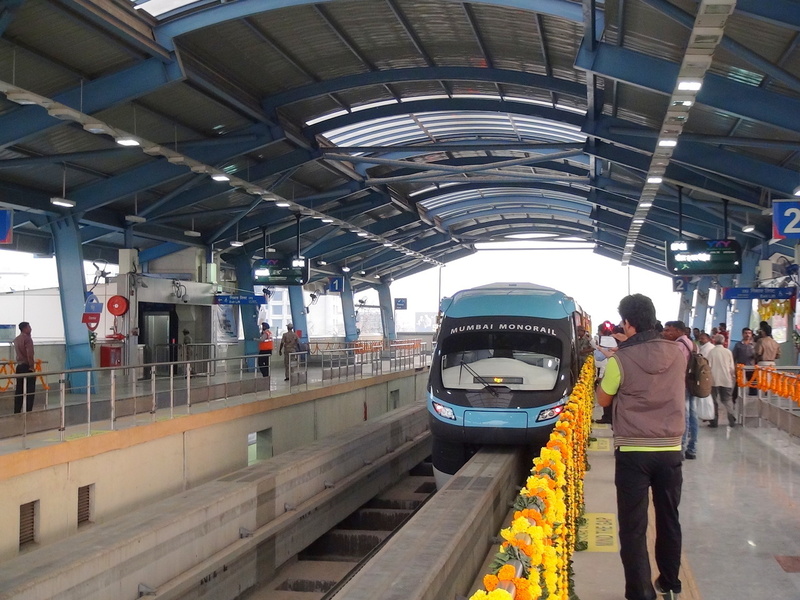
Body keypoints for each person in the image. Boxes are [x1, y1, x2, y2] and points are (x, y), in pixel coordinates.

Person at [596, 294, 686, 600]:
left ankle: (640, 593)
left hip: (633, 450)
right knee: (669, 517)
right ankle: (671, 583)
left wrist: (618, 353)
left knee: (634, 527)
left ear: (627, 323)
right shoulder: (678, 353)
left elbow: (603, 400)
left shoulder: (619, 360)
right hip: (671, 448)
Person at [663, 320, 697, 459]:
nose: (665, 333)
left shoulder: (678, 345)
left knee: (684, 415)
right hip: (692, 382)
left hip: (682, 384)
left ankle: (681, 449)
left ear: (678, 331)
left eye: (668, 330)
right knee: (693, 415)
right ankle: (692, 448)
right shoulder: (691, 343)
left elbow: (674, 366)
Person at [707, 334, 736, 428]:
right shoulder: (728, 352)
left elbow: (708, 367)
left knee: (714, 401)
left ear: (714, 341)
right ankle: (731, 416)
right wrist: (732, 377)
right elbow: (732, 367)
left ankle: (714, 421)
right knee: (727, 399)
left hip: (713, 379)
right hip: (726, 379)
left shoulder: (711, 352)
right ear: (724, 341)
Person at [13, 321, 36, 414]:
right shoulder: (27, 339)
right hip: (27, 367)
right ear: (25, 329)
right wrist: (32, 366)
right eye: (29, 327)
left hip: (19, 367)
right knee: (30, 391)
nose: (31, 329)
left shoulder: (16, 339)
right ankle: (28, 411)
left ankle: (17, 411)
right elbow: (29, 354)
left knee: (19, 390)